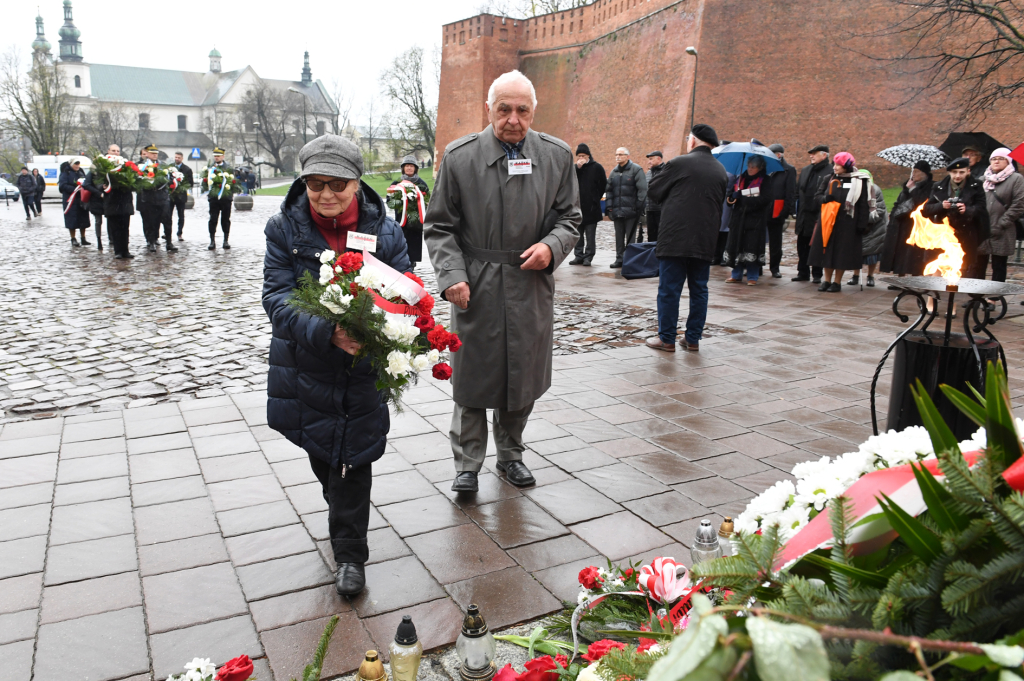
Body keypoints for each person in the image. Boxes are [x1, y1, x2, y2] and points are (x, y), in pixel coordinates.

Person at [263, 135, 410, 597]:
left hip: (363, 366)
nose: (326, 194)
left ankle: (350, 554)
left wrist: (386, 322)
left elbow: (404, 286)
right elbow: (277, 297)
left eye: (337, 184)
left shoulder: (385, 232)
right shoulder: (284, 229)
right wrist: (328, 331)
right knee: (324, 454)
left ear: (357, 183)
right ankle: (342, 513)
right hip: (306, 363)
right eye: (315, 184)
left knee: (353, 457)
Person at [424, 70, 581, 493]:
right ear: (488, 109)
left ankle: (511, 455)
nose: (513, 119)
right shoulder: (460, 157)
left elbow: (571, 218)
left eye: (522, 110)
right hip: (477, 284)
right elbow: (439, 226)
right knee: (472, 377)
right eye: (504, 109)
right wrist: (453, 276)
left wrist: (551, 246)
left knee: (521, 375)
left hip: (530, 283)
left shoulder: (556, 155)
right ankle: (467, 464)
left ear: (534, 111)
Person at [645, 124, 728, 352]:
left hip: (676, 237)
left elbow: (653, 190)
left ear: (693, 140)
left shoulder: (679, 163)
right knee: (699, 290)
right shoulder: (720, 170)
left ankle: (667, 339)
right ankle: (692, 339)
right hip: (705, 239)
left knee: (669, 290)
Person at [809, 151, 870, 292]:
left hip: (848, 223)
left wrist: (862, 224)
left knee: (841, 253)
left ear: (846, 166)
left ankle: (837, 282)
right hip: (828, 221)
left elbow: (863, 205)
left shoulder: (858, 181)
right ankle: (827, 280)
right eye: (834, 164)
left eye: (838, 165)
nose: (835, 167)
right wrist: (825, 199)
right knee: (827, 251)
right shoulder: (829, 178)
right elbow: (817, 196)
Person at [923, 157, 989, 278]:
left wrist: (967, 210)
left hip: (966, 233)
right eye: (954, 172)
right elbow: (926, 209)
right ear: (949, 172)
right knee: (939, 268)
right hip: (943, 234)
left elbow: (981, 208)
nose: (957, 176)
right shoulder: (939, 186)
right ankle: (937, 288)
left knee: (963, 269)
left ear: (968, 171)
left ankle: (957, 287)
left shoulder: (976, 185)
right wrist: (941, 205)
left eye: (961, 172)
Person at [880, 160, 934, 279]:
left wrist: (912, 190)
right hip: (903, 223)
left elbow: (922, 202)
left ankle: (916, 278)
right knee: (901, 252)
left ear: (924, 173)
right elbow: (899, 201)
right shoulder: (908, 185)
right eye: (913, 171)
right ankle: (900, 277)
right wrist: (893, 215)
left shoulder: (930, 186)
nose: (914, 174)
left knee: (916, 253)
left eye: (917, 171)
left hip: (918, 224)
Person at [976, 148, 1024, 282]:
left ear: (1008, 161)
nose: (996, 161)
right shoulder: (982, 179)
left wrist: (1002, 224)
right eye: (993, 159)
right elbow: (975, 202)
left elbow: (1019, 204)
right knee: (978, 265)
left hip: (1003, 229)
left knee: (999, 266)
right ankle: (976, 293)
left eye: (1001, 158)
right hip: (982, 230)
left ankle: (995, 293)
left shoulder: (1016, 179)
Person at [724, 156, 771, 285]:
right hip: (738, 219)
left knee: (752, 247)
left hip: (754, 220)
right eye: (749, 166)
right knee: (736, 246)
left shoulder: (765, 180)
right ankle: (736, 274)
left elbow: (765, 199)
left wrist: (744, 197)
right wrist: (732, 197)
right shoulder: (741, 179)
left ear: (760, 168)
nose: (750, 169)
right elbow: (730, 196)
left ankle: (752, 276)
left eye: (753, 167)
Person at [83, 143, 136, 259]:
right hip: (111, 201)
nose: (116, 153)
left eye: (117, 151)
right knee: (115, 228)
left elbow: (133, 180)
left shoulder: (124, 165)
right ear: (108, 151)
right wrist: (101, 188)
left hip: (125, 201)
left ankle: (125, 251)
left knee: (125, 227)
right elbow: (91, 182)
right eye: (113, 151)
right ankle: (118, 251)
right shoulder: (101, 166)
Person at [793, 145, 831, 283]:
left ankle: (817, 273)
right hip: (803, 214)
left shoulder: (830, 171)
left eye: (814, 153)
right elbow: (798, 191)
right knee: (802, 245)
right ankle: (803, 272)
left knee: (817, 245)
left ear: (824, 155)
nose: (811, 156)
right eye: (811, 153)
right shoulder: (805, 170)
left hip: (818, 215)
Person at [604, 147, 647, 268]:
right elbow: (609, 191)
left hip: (631, 211)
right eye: (616, 154)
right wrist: (609, 207)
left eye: (621, 154)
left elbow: (642, 190)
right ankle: (619, 259)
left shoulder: (636, 170)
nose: (618, 156)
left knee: (630, 238)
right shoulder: (614, 172)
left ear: (627, 156)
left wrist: (639, 207)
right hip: (617, 211)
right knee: (619, 237)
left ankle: (630, 260)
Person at [847, 170, 887, 287]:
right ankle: (855, 275)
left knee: (872, 254)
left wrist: (864, 219)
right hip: (858, 226)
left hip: (873, 227)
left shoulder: (875, 190)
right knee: (857, 252)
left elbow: (880, 210)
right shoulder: (853, 190)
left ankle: (870, 276)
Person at [389, 156, 430, 264]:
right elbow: (389, 199)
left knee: (413, 245)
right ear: (403, 168)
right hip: (401, 220)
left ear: (415, 168)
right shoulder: (397, 183)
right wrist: (400, 202)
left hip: (416, 222)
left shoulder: (421, 184)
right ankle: (401, 263)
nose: (409, 168)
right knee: (401, 243)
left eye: (411, 166)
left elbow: (428, 199)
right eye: (407, 166)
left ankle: (412, 264)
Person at [570, 143, 606, 266]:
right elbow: (569, 181)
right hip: (577, 207)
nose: (581, 158)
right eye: (579, 156)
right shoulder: (574, 169)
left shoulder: (597, 167)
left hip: (591, 207)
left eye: (583, 156)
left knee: (590, 236)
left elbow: (603, 185)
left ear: (588, 156)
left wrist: (595, 198)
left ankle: (588, 257)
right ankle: (578, 255)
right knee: (577, 234)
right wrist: (578, 168)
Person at [137, 144, 176, 253]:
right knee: (151, 221)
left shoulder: (163, 165)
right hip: (150, 198)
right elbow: (139, 181)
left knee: (167, 221)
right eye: (152, 153)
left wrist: (169, 181)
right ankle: (152, 242)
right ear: (147, 154)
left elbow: (170, 177)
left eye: (156, 153)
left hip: (163, 197)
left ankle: (169, 242)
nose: (155, 155)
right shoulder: (143, 166)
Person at [766, 144, 796, 278]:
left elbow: (790, 192)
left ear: (779, 155)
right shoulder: (765, 168)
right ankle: (756, 266)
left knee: (775, 242)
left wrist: (785, 211)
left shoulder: (788, 170)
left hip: (777, 210)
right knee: (759, 240)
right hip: (763, 208)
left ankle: (775, 268)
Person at [58, 159, 90, 247]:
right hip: (70, 200)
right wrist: (75, 189)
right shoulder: (65, 173)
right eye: (75, 164)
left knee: (83, 219)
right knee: (72, 219)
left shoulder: (81, 172)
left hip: (81, 199)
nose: (77, 166)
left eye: (78, 164)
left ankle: (83, 238)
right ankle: (73, 238)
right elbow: (62, 185)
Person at [207, 147, 233, 250]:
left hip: (226, 198)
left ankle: (226, 240)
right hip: (214, 199)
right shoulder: (210, 168)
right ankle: (212, 241)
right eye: (215, 156)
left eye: (218, 156)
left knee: (225, 220)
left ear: (223, 156)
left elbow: (233, 181)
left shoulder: (228, 168)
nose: (216, 158)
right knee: (213, 219)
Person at [169, 151, 194, 240]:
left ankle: (179, 233)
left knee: (181, 216)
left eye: (178, 158)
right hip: (171, 195)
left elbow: (190, 183)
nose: (177, 159)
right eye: (176, 157)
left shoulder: (187, 169)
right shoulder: (170, 168)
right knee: (168, 215)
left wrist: (182, 186)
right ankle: (167, 232)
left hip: (181, 196)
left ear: (182, 158)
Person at [645, 151, 666, 242]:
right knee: (651, 235)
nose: (649, 162)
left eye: (651, 159)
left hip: (661, 209)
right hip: (650, 209)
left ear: (659, 158)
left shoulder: (666, 171)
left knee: (661, 235)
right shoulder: (649, 172)